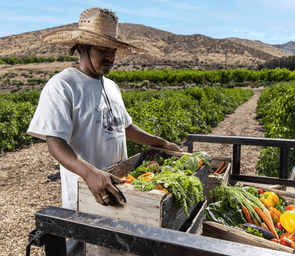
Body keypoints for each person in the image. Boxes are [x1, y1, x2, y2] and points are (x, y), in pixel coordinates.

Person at [27, 7, 181, 255]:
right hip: (89, 194)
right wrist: (90, 174)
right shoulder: (62, 86)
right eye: (103, 49)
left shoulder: (111, 86)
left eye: (113, 50)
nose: (110, 56)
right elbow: (55, 142)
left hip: (119, 189)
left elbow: (126, 127)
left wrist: (160, 142)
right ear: (83, 47)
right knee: (86, 247)